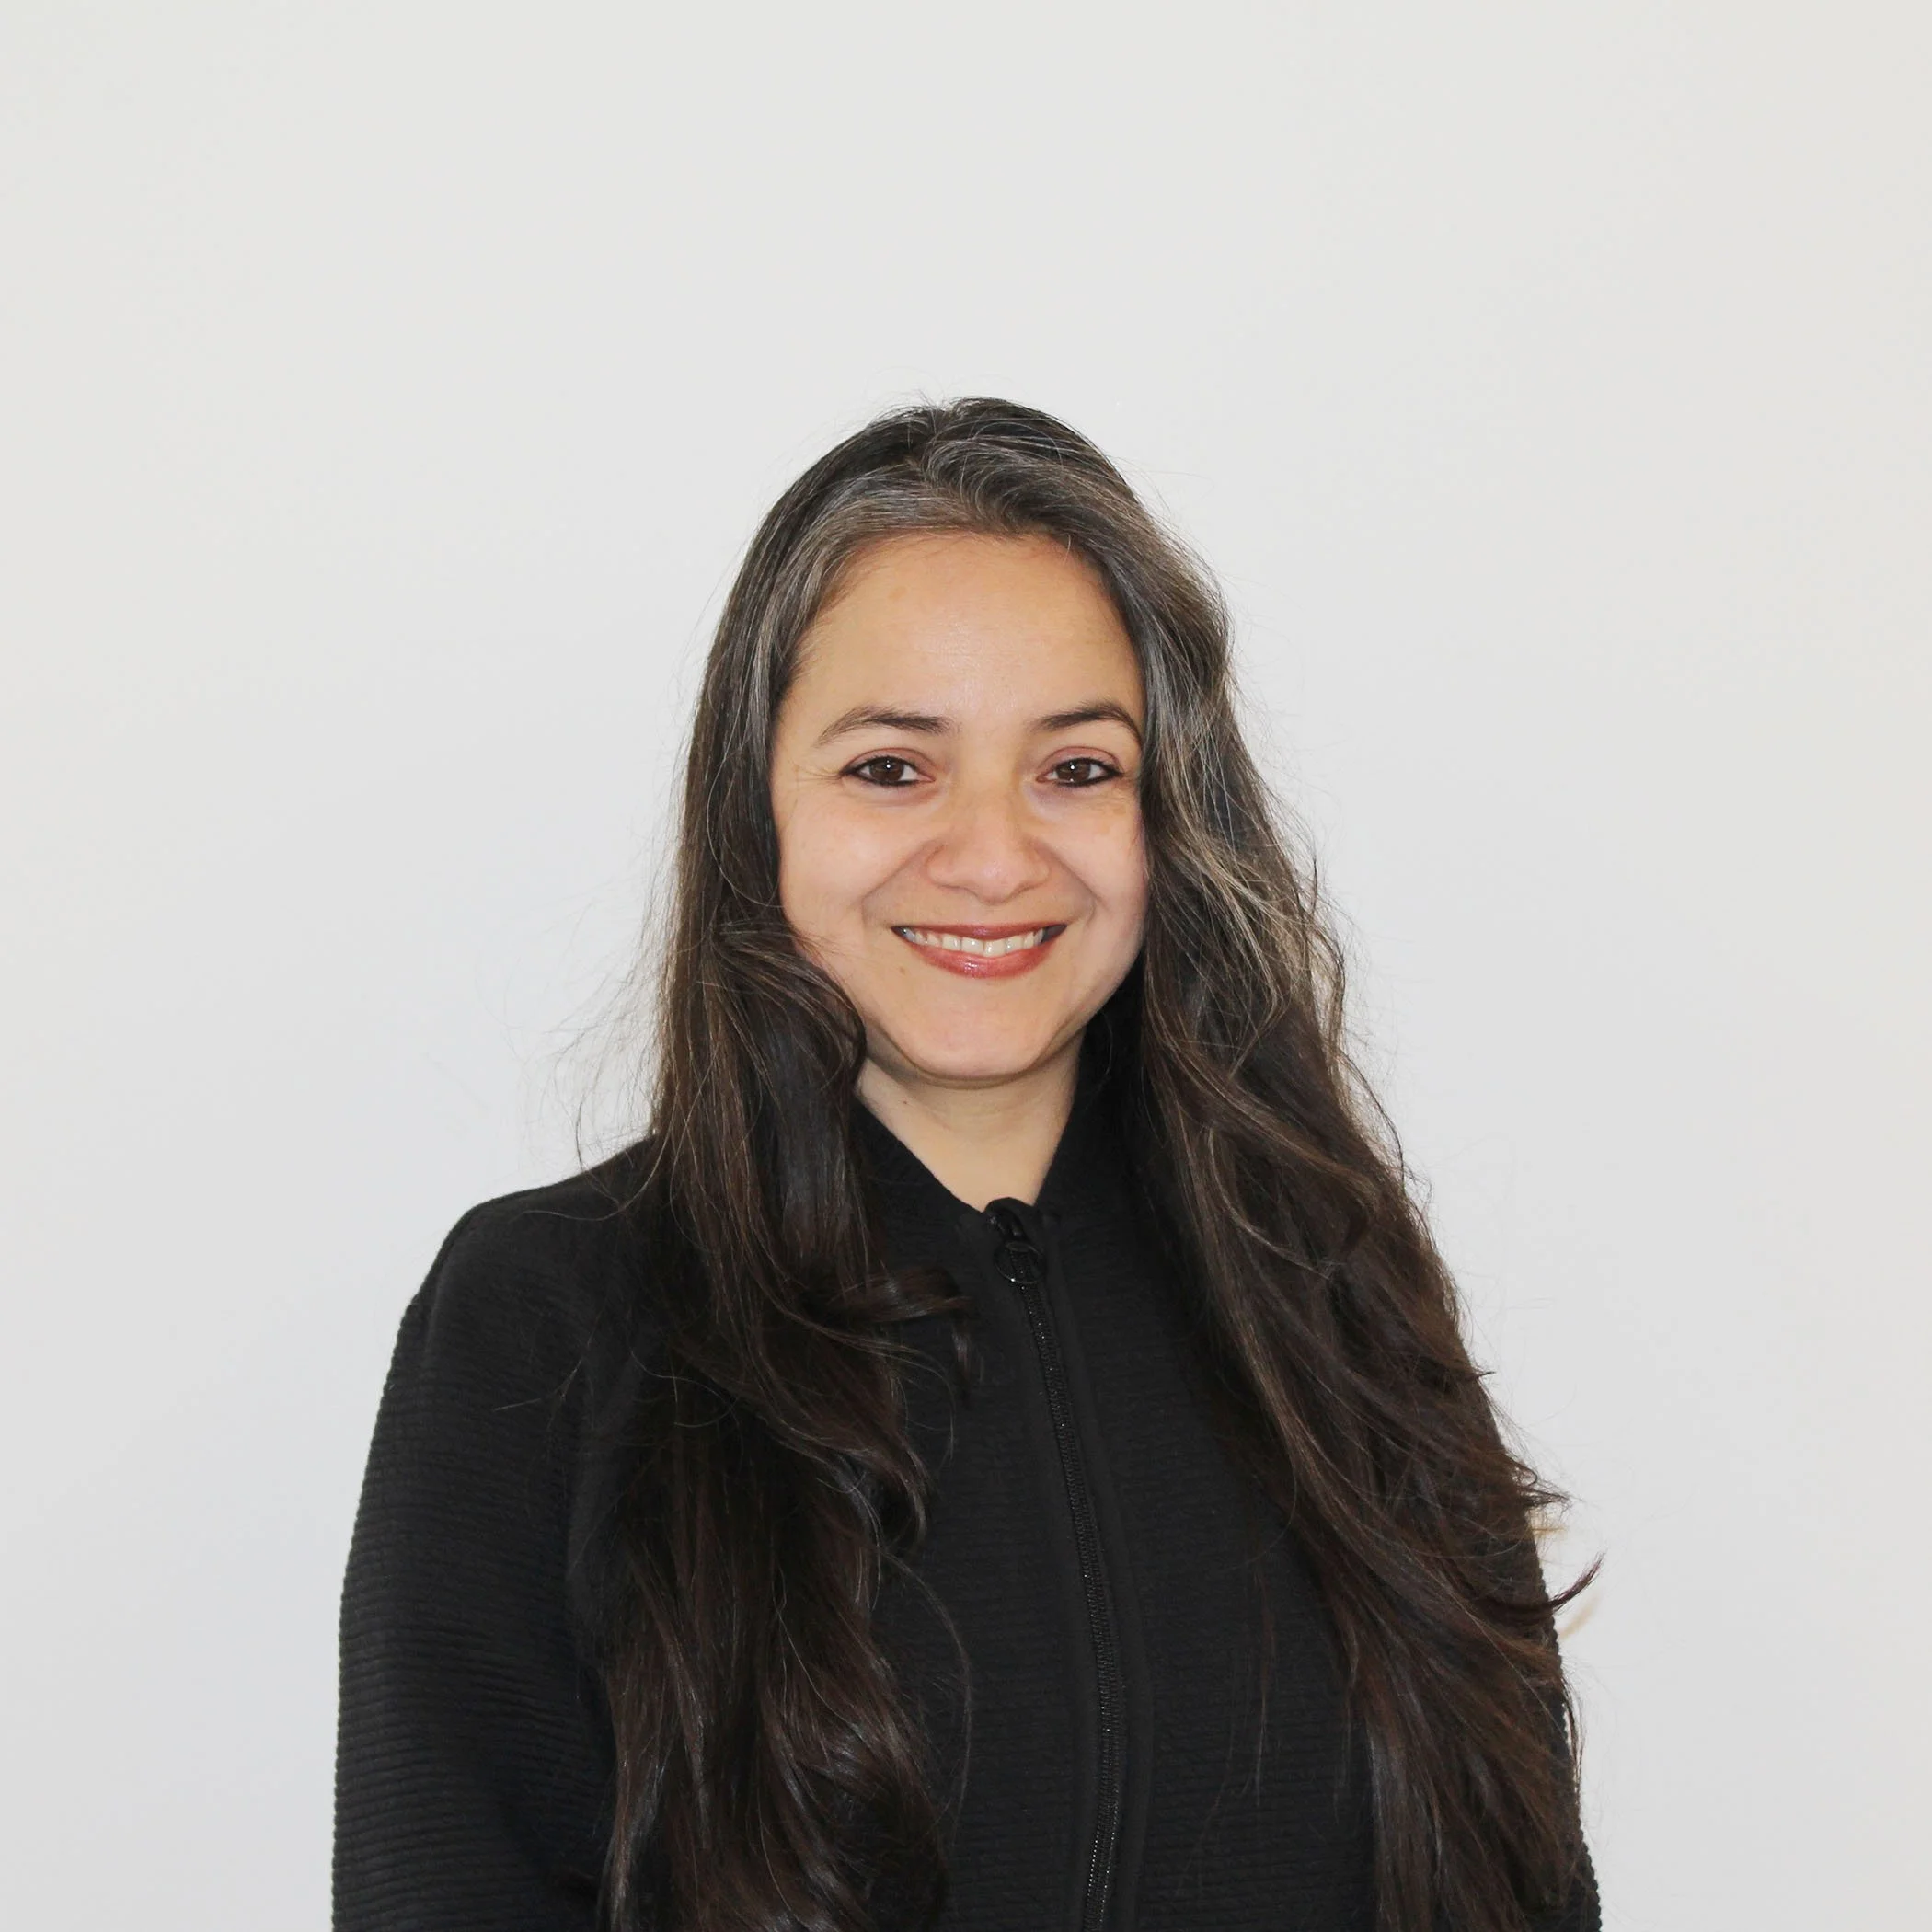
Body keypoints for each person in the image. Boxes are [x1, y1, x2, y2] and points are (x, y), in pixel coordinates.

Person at [334, 399, 1599, 1932]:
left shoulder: (1333, 1291)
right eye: (891, 767)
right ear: (759, 807)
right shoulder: (552, 1316)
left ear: (1168, 818)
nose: (995, 856)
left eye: (1077, 767)